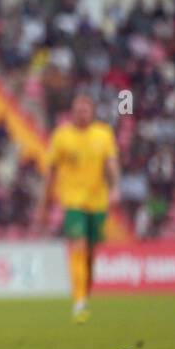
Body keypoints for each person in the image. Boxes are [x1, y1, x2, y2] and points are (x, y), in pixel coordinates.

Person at [38, 94, 119, 322]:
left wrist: (115, 187)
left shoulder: (104, 134)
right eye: (78, 109)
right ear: (72, 112)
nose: (82, 113)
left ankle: (85, 294)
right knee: (78, 246)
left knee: (91, 255)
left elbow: (111, 164)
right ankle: (79, 302)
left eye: (85, 110)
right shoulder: (61, 136)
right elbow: (51, 172)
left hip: (98, 202)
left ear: (92, 112)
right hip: (72, 201)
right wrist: (44, 204)